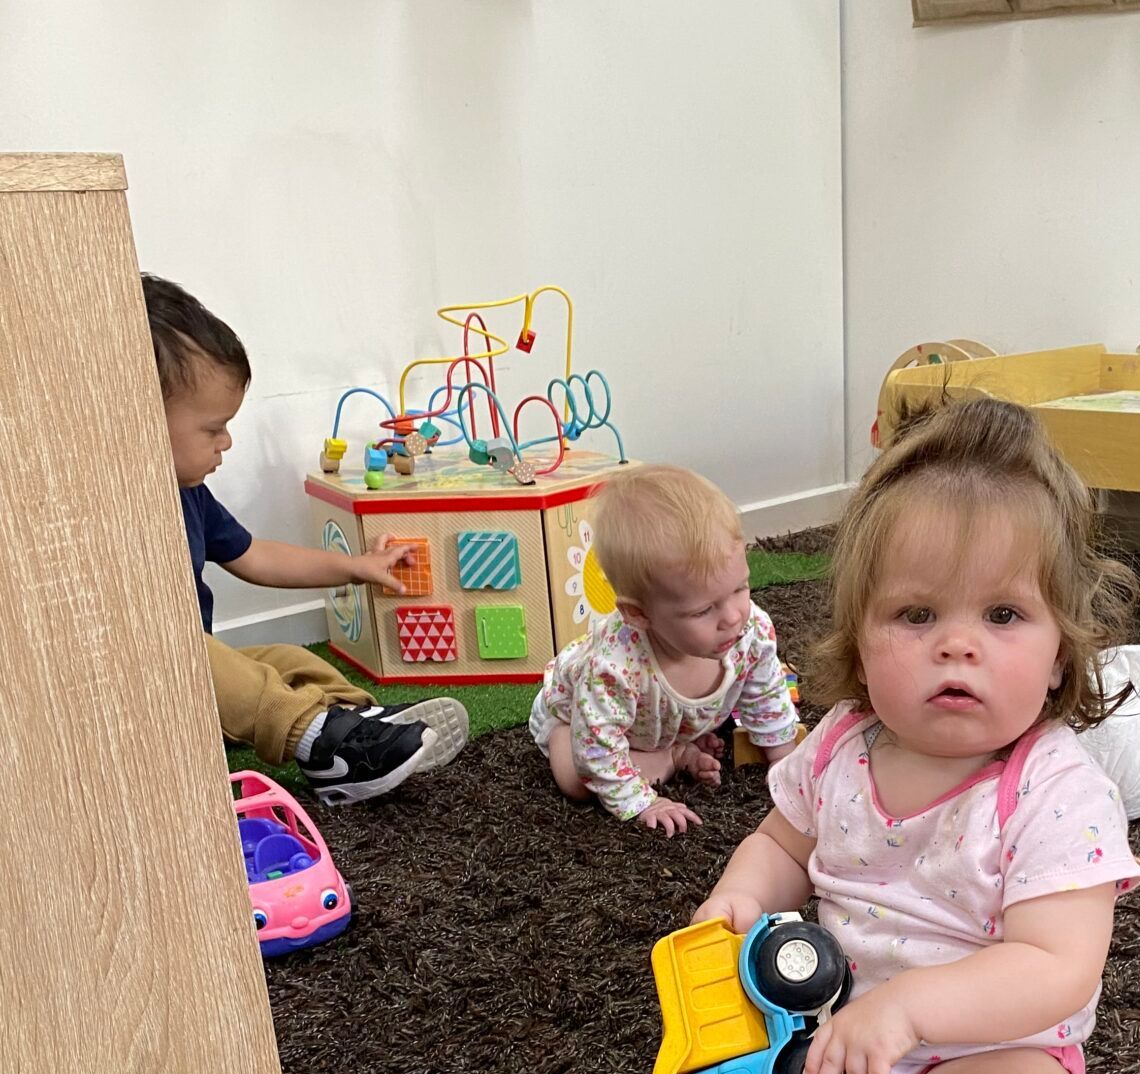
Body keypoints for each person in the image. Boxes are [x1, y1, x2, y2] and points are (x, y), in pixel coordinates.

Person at [577, 399, 1140, 1074]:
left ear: (1062, 647)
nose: (956, 646)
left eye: (1002, 616)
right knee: (737, 1020)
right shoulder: (839, 744)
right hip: (822, 1030)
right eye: (916, 615)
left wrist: (912, 1010)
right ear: (860, 634)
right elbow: (780, 844)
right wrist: (737, 899)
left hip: (976, 1056)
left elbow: (1058, 966)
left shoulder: (1056, 792)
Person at [145, 275, 468, 804]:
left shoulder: (190, 494)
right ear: (139, 418)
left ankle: (353, 719)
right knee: (197, 657)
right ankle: (321, 745)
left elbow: (257, 556)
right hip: (159, 685)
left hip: (200, 680)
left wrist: (355, 567)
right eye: (212, 428)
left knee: (285, 657)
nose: (227, 441)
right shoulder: (111, 515)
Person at [529, 465, 801, 835]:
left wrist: (784, 759)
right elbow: (598, 753)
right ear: (639, 614)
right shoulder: (613, 668)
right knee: (577, 779)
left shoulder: (750, 627)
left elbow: (766, 693)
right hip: (582, 719)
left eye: (740, 587)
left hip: (661, 721)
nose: (733, 616)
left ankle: (672, 747)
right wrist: (644, 802)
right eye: (703, 610)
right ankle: (672, 755)